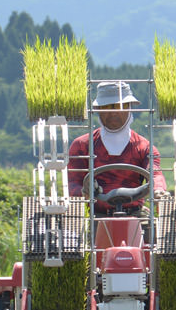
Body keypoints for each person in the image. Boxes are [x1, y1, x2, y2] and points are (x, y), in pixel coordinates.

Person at [67, 81, 167, 212]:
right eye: (107, 107)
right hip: (95, 216)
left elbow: (154, 173)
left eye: (120, 106)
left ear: (130, 108)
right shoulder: (82, 145)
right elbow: (73, 181)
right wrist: (82, 192)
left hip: (134, 215)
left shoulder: (144, 147)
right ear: (98, 110)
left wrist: (158, 190)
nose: (114, 112)